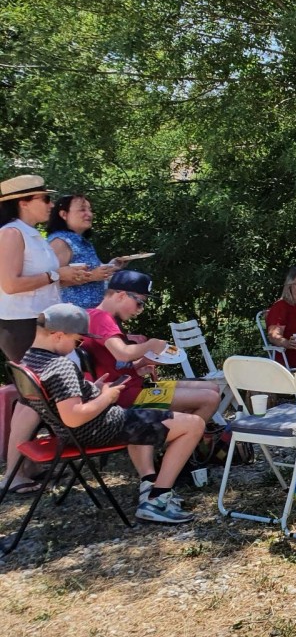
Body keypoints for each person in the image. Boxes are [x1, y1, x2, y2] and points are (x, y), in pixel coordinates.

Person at [20, 304, 205, 523]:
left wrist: (94, 389)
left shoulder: (29, 360)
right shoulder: (60, 366)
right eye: (78, 341)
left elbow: (62, 402)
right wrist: (106, 397)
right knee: (193, 424)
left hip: (68, 434)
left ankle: (151, 482)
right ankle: (157, 500)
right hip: (98, 428)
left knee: (152, 410)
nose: (76, 347)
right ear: (58, 335)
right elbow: (74, 416)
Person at [81, 271, 222, 426]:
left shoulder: (93, 315)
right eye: (140, 303)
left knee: (213, 388)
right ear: (121, 296)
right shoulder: (103, 318)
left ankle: (182, 436)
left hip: (132, 386)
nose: (140, 310)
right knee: (210, 399)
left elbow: (110, 365)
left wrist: (141, 363)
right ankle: (182, 440)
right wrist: (152, 345)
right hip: (126, 395)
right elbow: (123, 354)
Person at [0, 175, 88, 363]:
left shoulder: (32, 234)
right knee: (42, 388)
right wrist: (56, 275)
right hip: (23, 325)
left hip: (43, 322)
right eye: (45, 199)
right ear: (23, 203)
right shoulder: (11, 233)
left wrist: (69, 276)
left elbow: (46, 278)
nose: (51, 205)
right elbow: (10, 285)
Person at [46, 194, 122, 309]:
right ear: (64, 214)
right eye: (82, 210)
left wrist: (110, 266)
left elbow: (93, 272)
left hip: (88, 316)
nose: (89, 214)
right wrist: (92, 276)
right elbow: (50, 282)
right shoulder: (60, 242)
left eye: (90, 210)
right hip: (71, 317)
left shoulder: (80, 241)